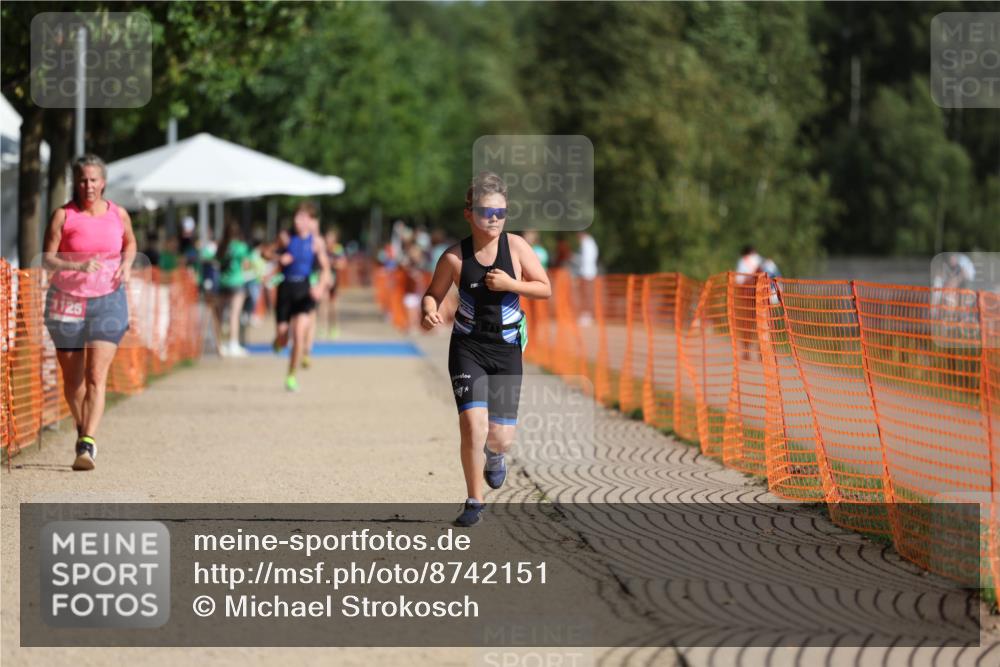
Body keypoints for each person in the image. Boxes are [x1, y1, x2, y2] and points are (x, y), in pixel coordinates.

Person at [421, 171, 552, 527]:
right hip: (468, 346)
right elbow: (433, 293)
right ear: (469, 214)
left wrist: (511, 283)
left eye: (500, 212)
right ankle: (474, 500)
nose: (493, 219)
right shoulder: (454, 258)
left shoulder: (517, 248)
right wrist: (430, 310)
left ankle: (495, 457)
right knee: (472, 426)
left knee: (500, 437)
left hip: (507, 347)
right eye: (485, 212)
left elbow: (545, 288)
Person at [41, 154, 137, 471]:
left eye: (94, 179)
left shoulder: (118, 214)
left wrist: (126, 263)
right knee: (74, 382)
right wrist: (76, 265)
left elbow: (130, 242)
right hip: (66, 301)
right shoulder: (63, 216)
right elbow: (47, 258)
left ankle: (87, 442)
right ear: (75, 182)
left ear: (103, 182)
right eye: (83, 180)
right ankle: (84, 431)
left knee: (96, 376)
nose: (88, 185)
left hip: (109, 300)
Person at [271, 202, 331, 392]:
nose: (300, 221)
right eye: (297, 217)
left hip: (304, 290)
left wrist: (320, 286)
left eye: (304, 218)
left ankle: (291, 375)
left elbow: (326, 269)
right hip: (285, 289)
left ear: (311, 220)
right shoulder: (286, 238)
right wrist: (278, 259)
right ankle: (279, 340)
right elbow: (266, 253)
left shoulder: (316, 242)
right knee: (283, 337)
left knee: (298, 334)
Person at [216, 220, 252, 357]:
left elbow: (217, 261)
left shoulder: (222, 246)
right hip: (237, 282)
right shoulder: (241, 247)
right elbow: (246, 264)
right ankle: (233, 343)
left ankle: (218, 344)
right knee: (234, 314)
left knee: (219, 315)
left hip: (222, 282)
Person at [572, 230, 599, 325]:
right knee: (585, 294)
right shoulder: (589, 242)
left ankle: (587, 315)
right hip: (587, 272)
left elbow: (586, 259)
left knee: (587, 294)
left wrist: (574, 259)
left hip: (586, 273)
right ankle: (586, 314)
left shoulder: (586, 242)